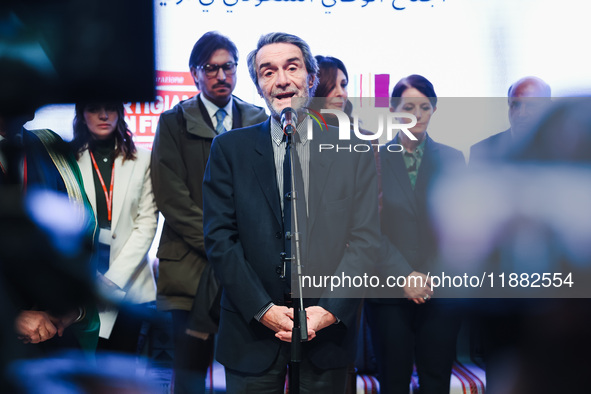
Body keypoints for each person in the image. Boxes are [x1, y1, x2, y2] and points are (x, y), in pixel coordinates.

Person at [202, 32, 380, 393]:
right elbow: (220, 240)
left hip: (326, 335)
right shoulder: (229, 150)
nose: (281, 80)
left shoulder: (353, 149)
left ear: (312, 79)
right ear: (259, 86)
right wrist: (263, 309)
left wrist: (328, 310)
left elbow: (366, 238)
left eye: (292, 68)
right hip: (251, 333)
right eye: (267, 72)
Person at [151, 31, 267, 394]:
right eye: (211, 68)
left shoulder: (258, 117)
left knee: (250, 370)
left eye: (228, 67)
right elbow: (171, 197)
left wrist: (238, 245)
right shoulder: (174, 121)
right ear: (194, 73)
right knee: (189, 374)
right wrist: (220, 243)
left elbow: (266, 193)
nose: (221, 75)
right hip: (189, 266)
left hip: (250, 268)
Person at [365, 75, 464, 393]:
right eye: (409, 107)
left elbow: (458, 228)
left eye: (425, 107)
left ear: (434, 109)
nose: (417, 114)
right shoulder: (374, 158)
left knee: (436, 381)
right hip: (388, 290)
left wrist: (428, 276)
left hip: (440, 290)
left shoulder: (452, 158)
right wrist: (404, 275)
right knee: (393, 381)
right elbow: (367, 227)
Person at [0, 112, 100, 355]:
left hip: (54, 331)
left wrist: (69, 307)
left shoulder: (47, 144)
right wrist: (11, 317)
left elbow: (82, 226)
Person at [71, 102, 158, 354]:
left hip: (130, 283)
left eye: (110, 107)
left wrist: (111, 280)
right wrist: (87, 274)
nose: (103, 115)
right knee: (83, 369)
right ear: (81, 113)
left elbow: (147, 223)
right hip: (82, 277)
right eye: (94, 108)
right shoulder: (67, 157)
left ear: (120, 112)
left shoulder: (143, 158)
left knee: (120, 368)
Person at [470, 76, 551, 162]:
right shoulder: (483, 151)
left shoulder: (558, 149)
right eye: (515, 105)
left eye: (531, 106)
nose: (521, 113)